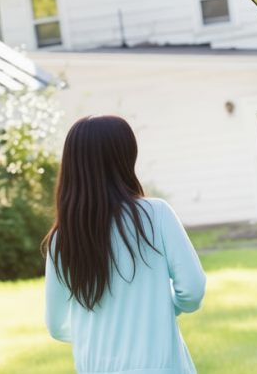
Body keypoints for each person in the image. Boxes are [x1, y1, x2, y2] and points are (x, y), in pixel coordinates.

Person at [43, 114, 206, 374]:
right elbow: (193, 290)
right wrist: (163, 308)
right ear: (125, 157)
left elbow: (56, 325)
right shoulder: (156, 214)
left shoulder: (62, 238)